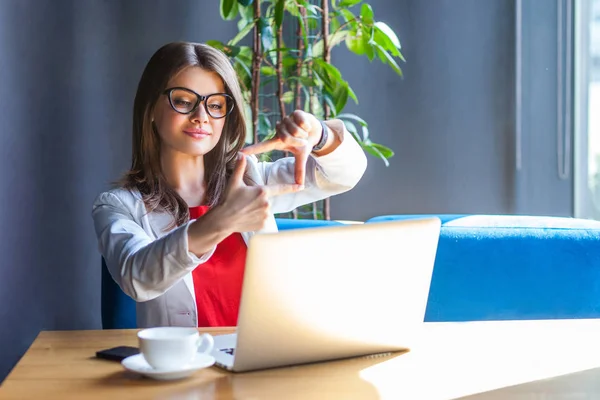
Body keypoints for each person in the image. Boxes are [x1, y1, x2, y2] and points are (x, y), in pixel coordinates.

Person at [92, 42, 367, 329]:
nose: (202, 116)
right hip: (186, 366)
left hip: (262, 358)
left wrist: (320, 134)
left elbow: (343, 175)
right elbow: (137, 277)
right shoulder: (117, 205)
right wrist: (219, 222)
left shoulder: (252, 180)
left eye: (215, 105)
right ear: (150, 109)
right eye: (184, 101)